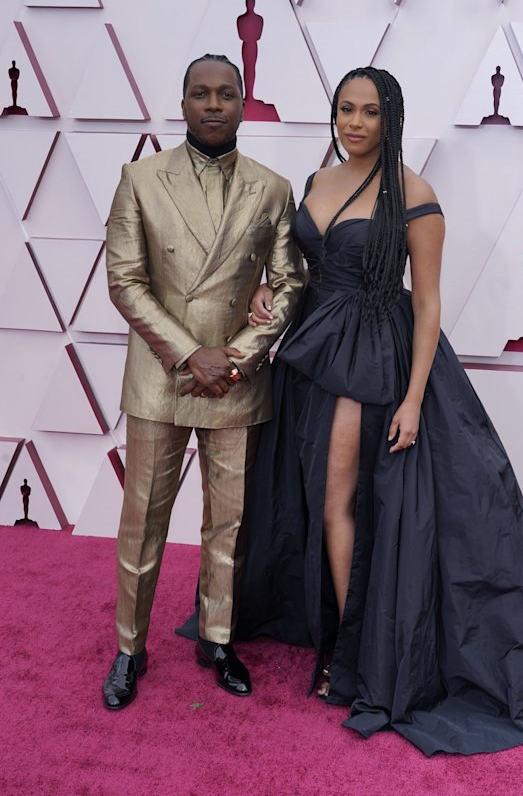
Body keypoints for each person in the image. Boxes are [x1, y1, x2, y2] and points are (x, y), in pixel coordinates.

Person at [231, 66, 523, 755]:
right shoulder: (316, 181)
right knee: (320, 500)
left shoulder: (414, 193)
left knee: (344, 503)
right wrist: (268, 295)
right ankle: (343, 639)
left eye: (368, 112)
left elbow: (426, 304)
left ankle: (354, 659)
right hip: (313, 355)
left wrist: (416, 396)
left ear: (390, 117)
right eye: (344, 110)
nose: (354, 123)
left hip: (374, 360)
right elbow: (306, 269)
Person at [102, 53, 304, 710]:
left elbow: (290, 280)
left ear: (244, 102)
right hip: (163, 376)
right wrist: (193, 354)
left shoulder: (272, 188)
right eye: (200, 93)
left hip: (237, 379)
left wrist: (239, 354)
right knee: (143, 519)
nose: (213, 104)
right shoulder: (140, 179)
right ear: (182, 102)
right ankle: (129, 647)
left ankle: (217, 637)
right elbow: (125, 282)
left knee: (231, 522)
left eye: (225, 93)